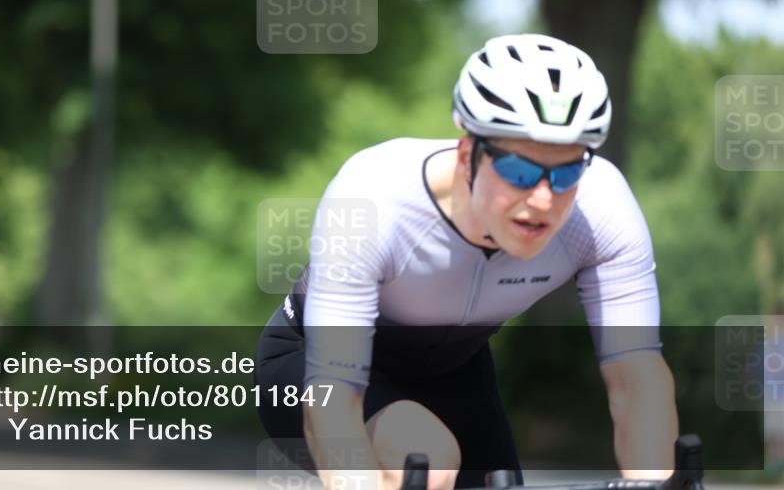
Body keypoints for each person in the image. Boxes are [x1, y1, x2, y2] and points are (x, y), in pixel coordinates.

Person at [254, 34, 679, 490]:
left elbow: (636, 379)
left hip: (457, 371)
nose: (541, 199)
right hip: (313, 365)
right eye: (518, 171)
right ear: (466, 156)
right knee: (428, 461)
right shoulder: (373, 200)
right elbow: (334, 399)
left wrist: (656, 481)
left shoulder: (602, 209)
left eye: (567, 173)